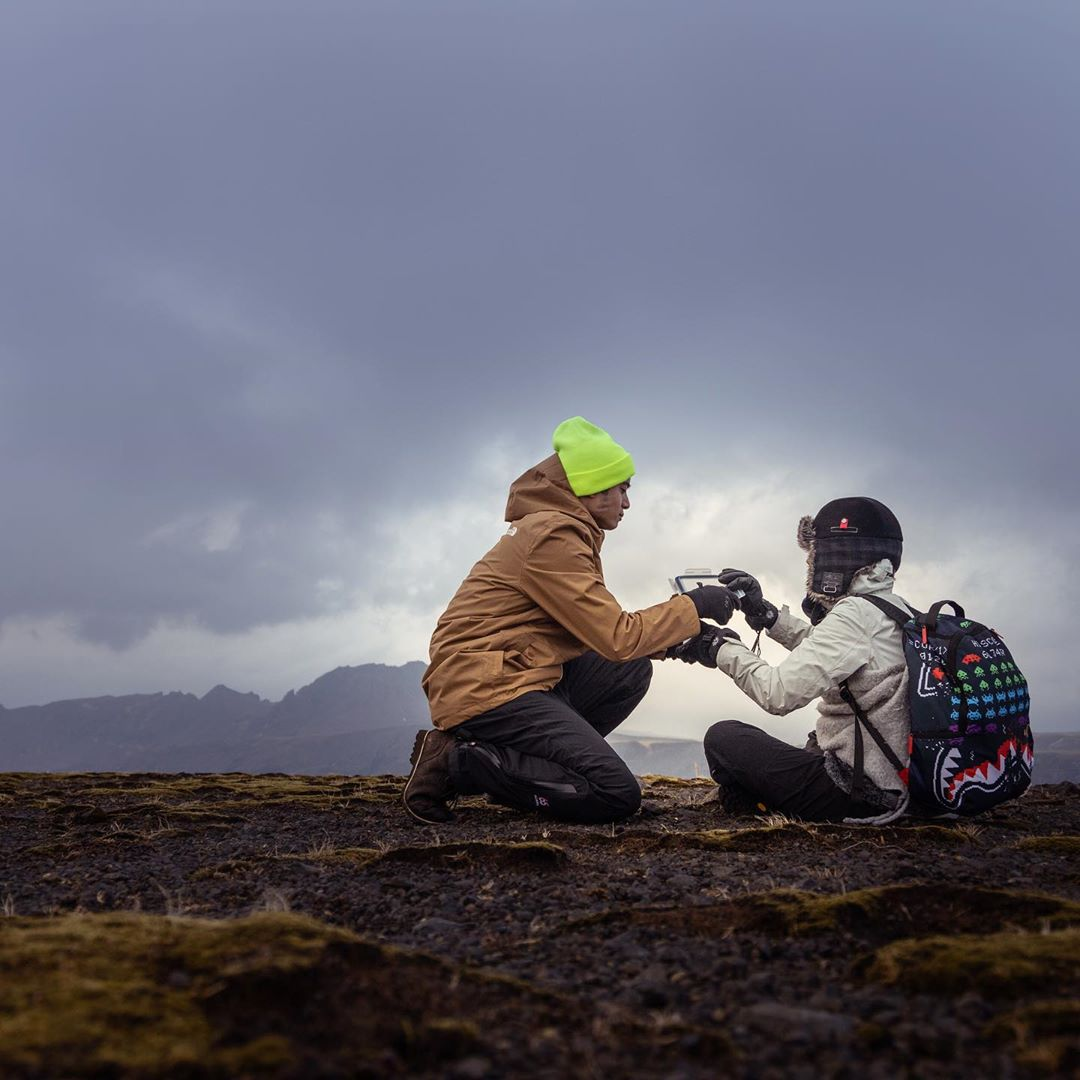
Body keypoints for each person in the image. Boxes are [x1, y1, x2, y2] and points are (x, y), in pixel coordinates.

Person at [403, 416, 740, 825]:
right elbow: (617, 635)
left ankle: (540, 777)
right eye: (622, 488)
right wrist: (693, 605)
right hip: (487, 684)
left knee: (628, 671)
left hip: (509, 669)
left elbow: (595, 629)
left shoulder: (559, 530)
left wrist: (684, 642)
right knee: (615, 795)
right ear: (593, 489)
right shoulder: (552, 537)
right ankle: (455, 761)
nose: (627, 502)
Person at [674, 497, 915, 824]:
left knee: (724, 737)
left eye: (813, 556)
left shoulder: (854, 615)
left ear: (834, 557)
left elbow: (777, 694)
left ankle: (758, 802)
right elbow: (834, 652)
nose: (809, 566)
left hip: (858, 792)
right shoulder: (895, 610)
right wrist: (768, 616)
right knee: (807, 746)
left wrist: (719, 646)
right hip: (901, 784)